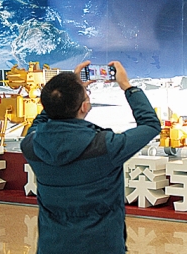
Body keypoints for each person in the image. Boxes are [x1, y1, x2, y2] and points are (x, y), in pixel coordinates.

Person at [22, 60, 161, 254]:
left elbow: (39, 123)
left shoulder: (31, 146)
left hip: (52, 246)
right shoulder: (106, 147)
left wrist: (62, 96)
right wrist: (127, 87)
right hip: (101, 246)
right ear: (84, 107)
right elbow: (150, 125)